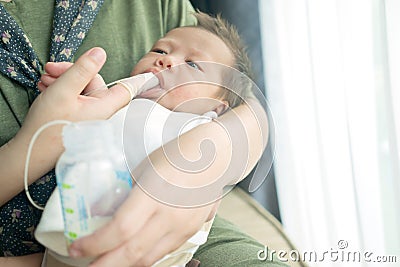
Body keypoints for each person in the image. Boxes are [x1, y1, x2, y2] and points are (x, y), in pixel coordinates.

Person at [0, 1, 284, 267]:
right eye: (160, 51)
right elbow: (109, 127)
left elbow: (250, 110)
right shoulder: (128, 102)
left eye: (193, 65)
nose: (166, 61)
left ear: (218, 107)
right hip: (73, 224)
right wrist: (97, 94)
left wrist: (218, 152)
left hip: (151, 239)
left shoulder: (198, 124)